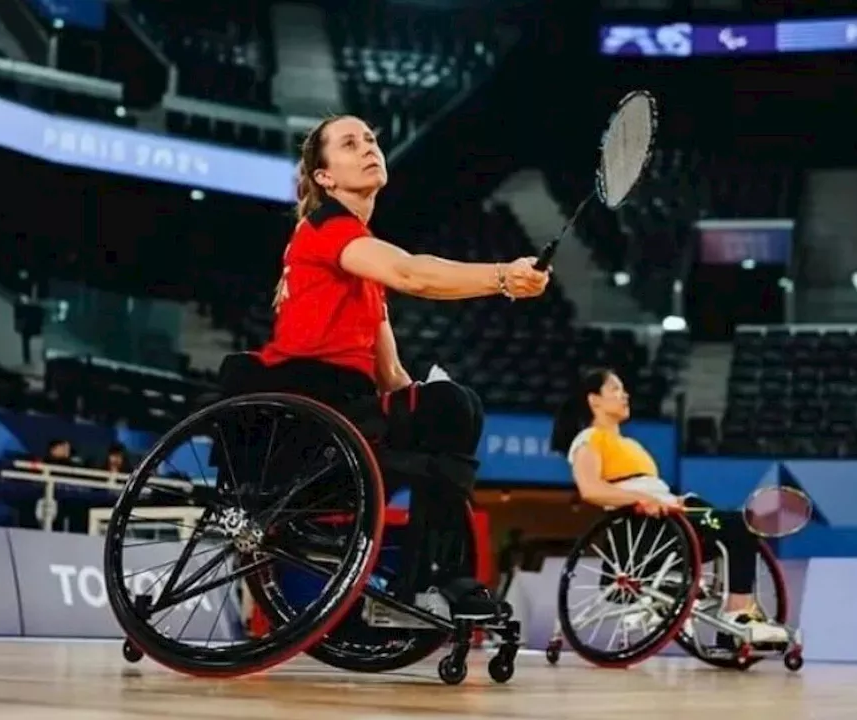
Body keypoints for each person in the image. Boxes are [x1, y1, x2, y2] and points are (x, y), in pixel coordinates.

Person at [218, 114, 550, 620]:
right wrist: (502, 276)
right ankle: (431, 582)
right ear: (325, 177)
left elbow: (392, 375)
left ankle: (435, 577)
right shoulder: (326, 226)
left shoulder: (363, 266)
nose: (369, 147)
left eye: (371, 139)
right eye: (350, 143)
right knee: (452, 406)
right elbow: (413, 274)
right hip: (305, 414)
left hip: (348, 413)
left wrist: (429, 400)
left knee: (453, 405)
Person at [550, 368, 789, 645]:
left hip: (671, 513)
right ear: (594, 401)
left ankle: (733, 627)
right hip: (646, 526)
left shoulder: (631, 444)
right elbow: (591, 489)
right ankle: (737, 615)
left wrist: (666, 500)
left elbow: (650, 489)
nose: (624, 394)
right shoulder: (589, 439)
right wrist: (642, 500)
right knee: (738, 524)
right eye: (615, 389)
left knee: (741, 527)